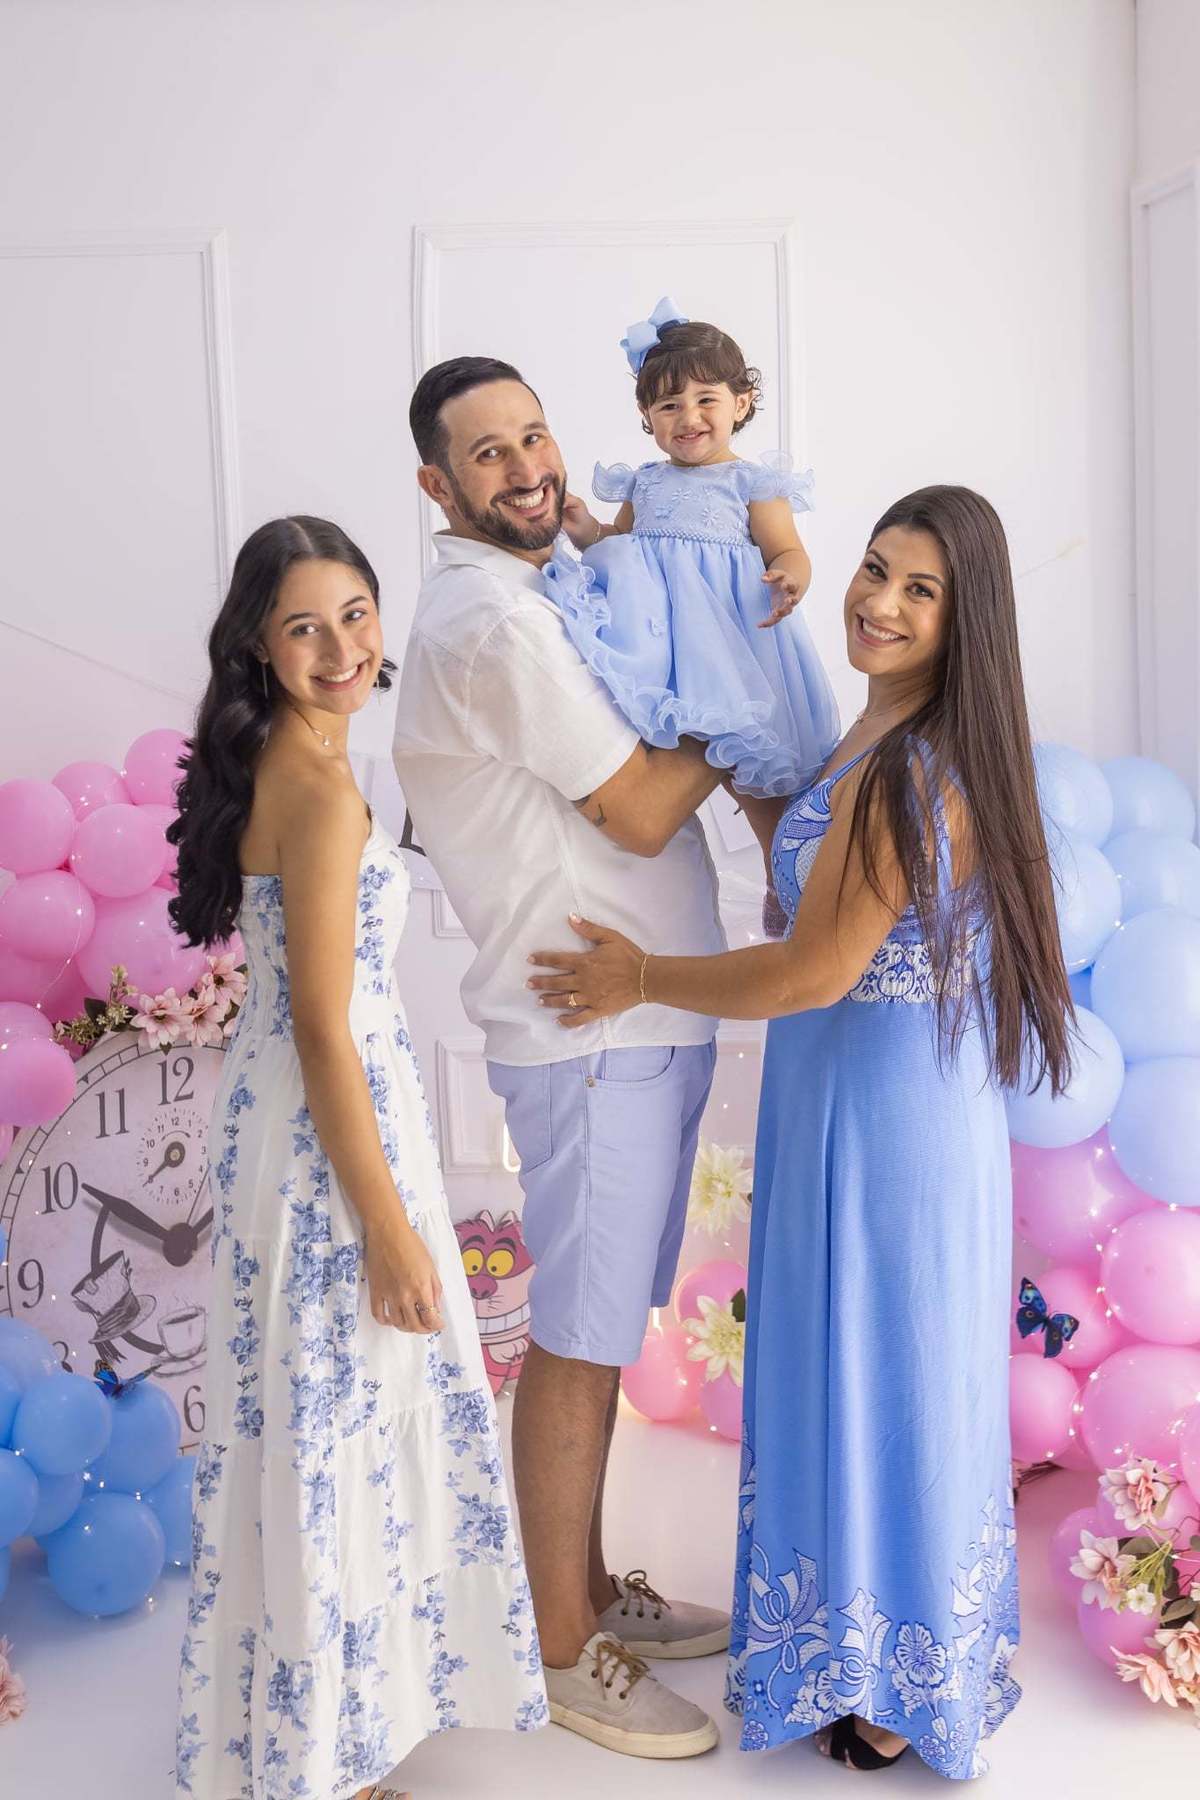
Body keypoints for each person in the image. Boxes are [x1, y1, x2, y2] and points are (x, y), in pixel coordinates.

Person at [528, 486, 1074, 1779]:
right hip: (850, 1103)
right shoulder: (869, 741)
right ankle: (849, 1643)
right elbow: (810, 879)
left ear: (964, 623)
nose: (878, 602)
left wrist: (640, 979)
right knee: (855, 1366)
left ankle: (894, 1671)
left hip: (887, 1121)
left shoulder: (912, 769)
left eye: (918, 591)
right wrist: (723, 745)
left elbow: (814, 969)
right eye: (876, 569)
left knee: (886, 1374)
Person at [170, 516, 545, 1800]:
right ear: (260, 649)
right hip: (329, 1129)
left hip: (294, 1114)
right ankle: (326, 1758)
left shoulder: (304, 760)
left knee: (320, 1415)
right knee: (335, 1414)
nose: (337, 647)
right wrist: (388, 1225)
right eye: (301, 626)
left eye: (353, 615)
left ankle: (319, 1729)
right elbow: (327, 1030)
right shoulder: (319, 790)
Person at [393, 358, 731, 1761]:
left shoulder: (534, 590)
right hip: (595, 1039)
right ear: (437, 486)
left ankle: (587, 1590)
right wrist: (740, 690)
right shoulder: (490, 627)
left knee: (602, 1337)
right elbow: (646, 808)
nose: (529, 467)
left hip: (642, 1025)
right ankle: (558, 1648)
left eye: (533, 435)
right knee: (579, 1356)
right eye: (488, 455)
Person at [545, 297, 839, 920]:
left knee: (754, 769)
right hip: (660, 645)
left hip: (732, 642)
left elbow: (788, 548)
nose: (689, 417)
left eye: (707, 399)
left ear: (742, 402)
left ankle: (779, 874)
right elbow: (619, 551)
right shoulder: (645, 482)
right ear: (647, 417)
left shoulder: (751, 483)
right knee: (665, 757)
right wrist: (583, 528)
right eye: (669, 405)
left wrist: (790, 576)